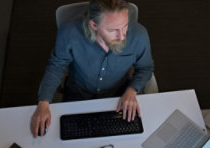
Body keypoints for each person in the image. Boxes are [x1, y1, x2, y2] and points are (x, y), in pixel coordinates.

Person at [31, 0, 154, 137]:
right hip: (77, 94)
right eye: (113, 30)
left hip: (118, 97)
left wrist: (132, 90)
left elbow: (146, 68)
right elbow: (56, 67)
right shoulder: (69, 33)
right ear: (94, 25)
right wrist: (43, 103)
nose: (122, 36)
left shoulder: (139, 35)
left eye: (125, 26)